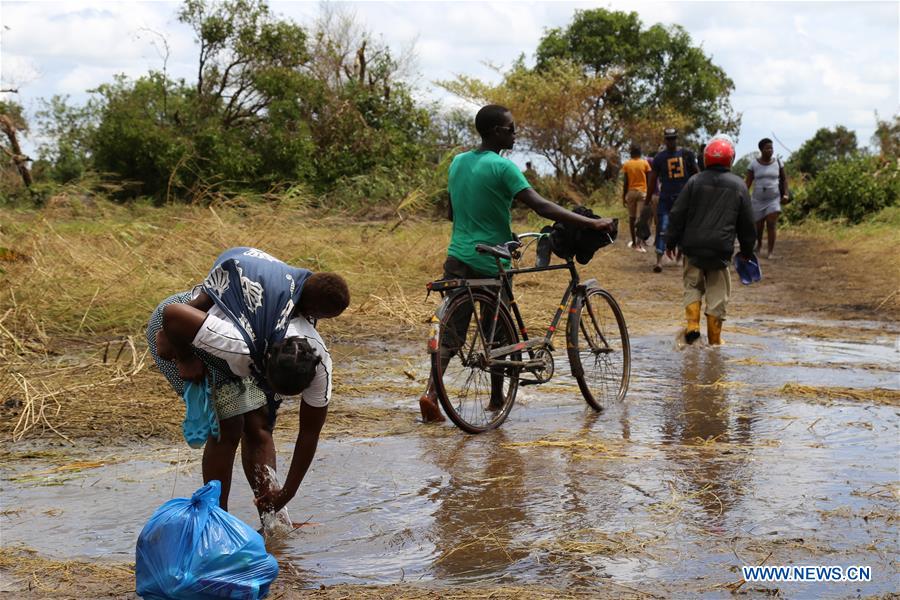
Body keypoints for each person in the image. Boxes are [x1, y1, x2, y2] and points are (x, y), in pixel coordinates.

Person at [418, 104, 615, 422]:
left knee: (453, 330)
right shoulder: (502, 167)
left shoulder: (457, 163)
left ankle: (430, 394)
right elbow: (541, 206)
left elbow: (452, 213)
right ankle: (496, 399)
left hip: (457, 255)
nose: (515, 133)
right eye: (510, 129)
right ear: (496, 131)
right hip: (490, 260)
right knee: (497, 332)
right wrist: (589, 223)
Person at [147, 247, 350, 517]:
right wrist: (184, 357)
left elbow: (309, 433)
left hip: (239, 323)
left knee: (259, 425)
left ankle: (273, 516)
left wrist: (286, 492)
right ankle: (217, 519)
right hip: (181, 332)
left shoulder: (318, 361)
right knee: (228, 427)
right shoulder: (238, 343)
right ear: (263, 366)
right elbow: (173, 315)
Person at [665, 136, 756, 345]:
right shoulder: (739, 185)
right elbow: (747, 223)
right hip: (720, 251)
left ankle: (692, 326)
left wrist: (670, 242)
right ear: (730, 160)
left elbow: (677, 213)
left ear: (706, 159)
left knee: (692, 285)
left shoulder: (694, 182)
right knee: (718, 294)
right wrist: (747, 250)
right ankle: (714, 341)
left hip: (693, 248)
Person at [646, 128, 699, 273]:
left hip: (684, 198)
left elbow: (697, 173)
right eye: (668, 139)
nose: (671, 141)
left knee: (684, 228)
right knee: (662, 227)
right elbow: (652, 180)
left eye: (673, 138)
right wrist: (648, 198)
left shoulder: (687, 155)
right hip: (666, 198)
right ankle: (659, 260)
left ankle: (680, 257)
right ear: (665, 140)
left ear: (677, 139)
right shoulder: (660, 158)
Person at [745, 138, 789, 259]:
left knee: (771, 224)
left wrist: (786, 194)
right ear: (761, 150)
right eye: (767, 148)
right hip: (757, 200)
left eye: (771, 148)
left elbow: (784, 180)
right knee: (758, 227)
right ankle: (759, 245)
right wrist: (743, 196)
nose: (770, 150)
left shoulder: (778, 163)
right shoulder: (753, 164)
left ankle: (770, 252)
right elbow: (748, 182)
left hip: (773, 199)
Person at [621, 145, 652, 252]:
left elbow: (625, 182)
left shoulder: (627, 164)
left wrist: (623, 195)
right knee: (641, 219)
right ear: (640, 153)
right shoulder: (645, 163)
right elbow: (649, 180)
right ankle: (639, 244)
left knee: (631, 218)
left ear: (631, 153)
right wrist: (649, 195)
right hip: (642, 192)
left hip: (631, 192)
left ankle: (634, 242)